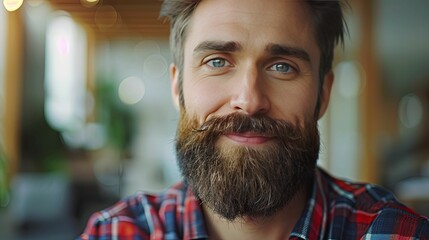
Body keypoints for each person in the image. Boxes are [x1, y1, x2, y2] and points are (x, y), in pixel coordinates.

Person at [79, 0, 429, 239]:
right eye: (217, 61)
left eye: (282, 67)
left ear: (323, 94)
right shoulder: (116, 233)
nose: (249, 101)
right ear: (177, 86)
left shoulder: (393, 232)